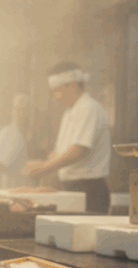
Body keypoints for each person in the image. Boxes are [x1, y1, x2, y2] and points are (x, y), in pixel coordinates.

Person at [22, 62, 111, 213]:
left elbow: (78, 150)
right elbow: (61, 153)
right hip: (71, 188)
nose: (56, 97)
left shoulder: (89, 108)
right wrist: (45, 163)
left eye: (58, 91)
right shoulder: (70, 112)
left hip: (89, 190)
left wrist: (44, 168)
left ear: (73, 85)